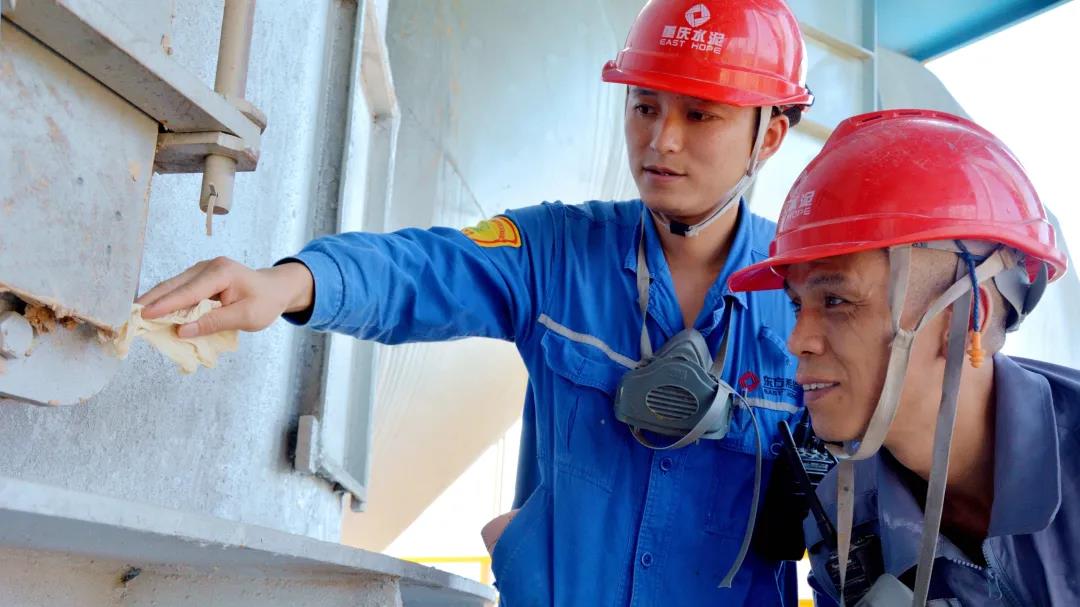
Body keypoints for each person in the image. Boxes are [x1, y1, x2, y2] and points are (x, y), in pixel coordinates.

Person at [137, 1, 814, 603]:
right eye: (644, 106)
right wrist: (289, 283)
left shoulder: (812, 297)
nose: (662, 139)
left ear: (770, 136)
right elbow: (426, 269)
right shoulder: (557, 251)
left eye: (700, 114)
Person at [728, 109, 1077, 606]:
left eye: (836, 301)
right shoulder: (845, 521)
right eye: (797, 305)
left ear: (967, 317)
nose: (798, 340)